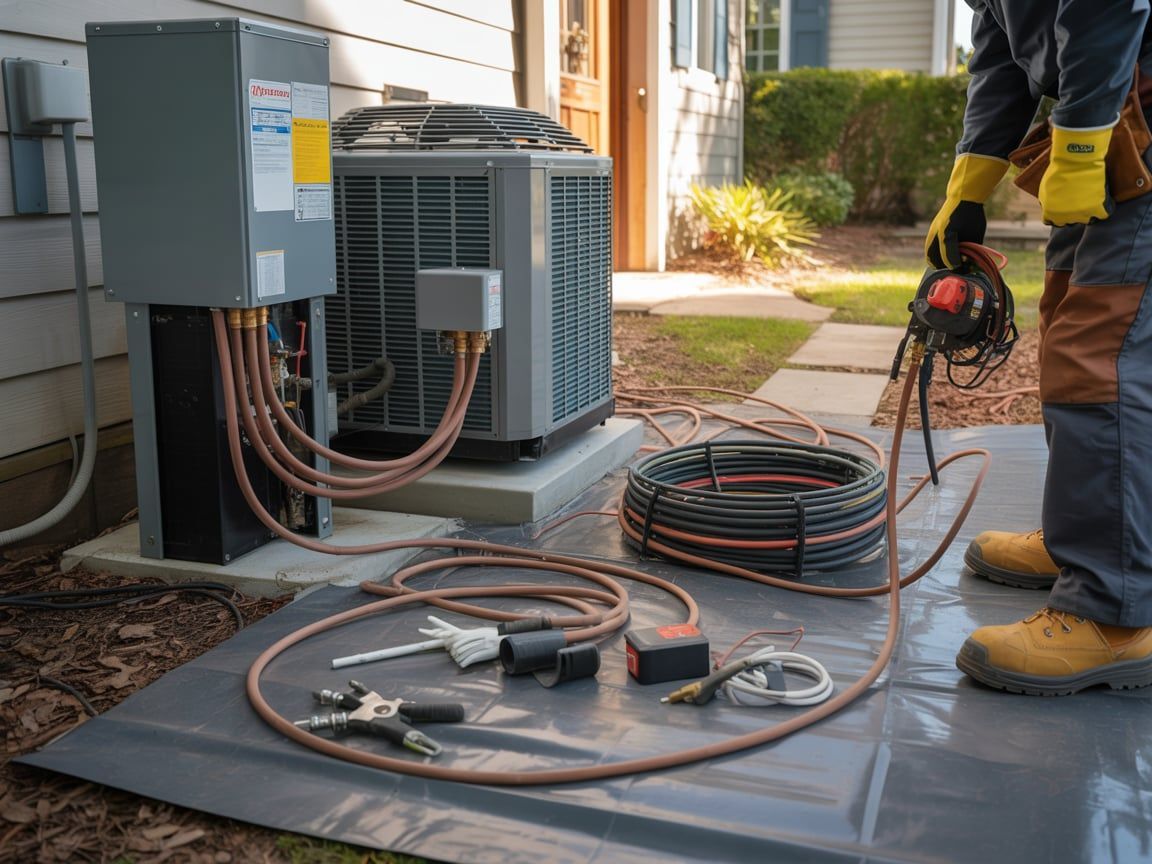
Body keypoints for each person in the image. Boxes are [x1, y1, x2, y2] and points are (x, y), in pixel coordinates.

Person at [924, 0, 1152, 695]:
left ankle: (1114, 615)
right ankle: (1085, 537)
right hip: (1102, 120)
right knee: (1065, 321)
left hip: (1124, 119)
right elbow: (999, 48)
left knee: (1100, 354)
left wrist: (1082, 141)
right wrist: (971, 182)